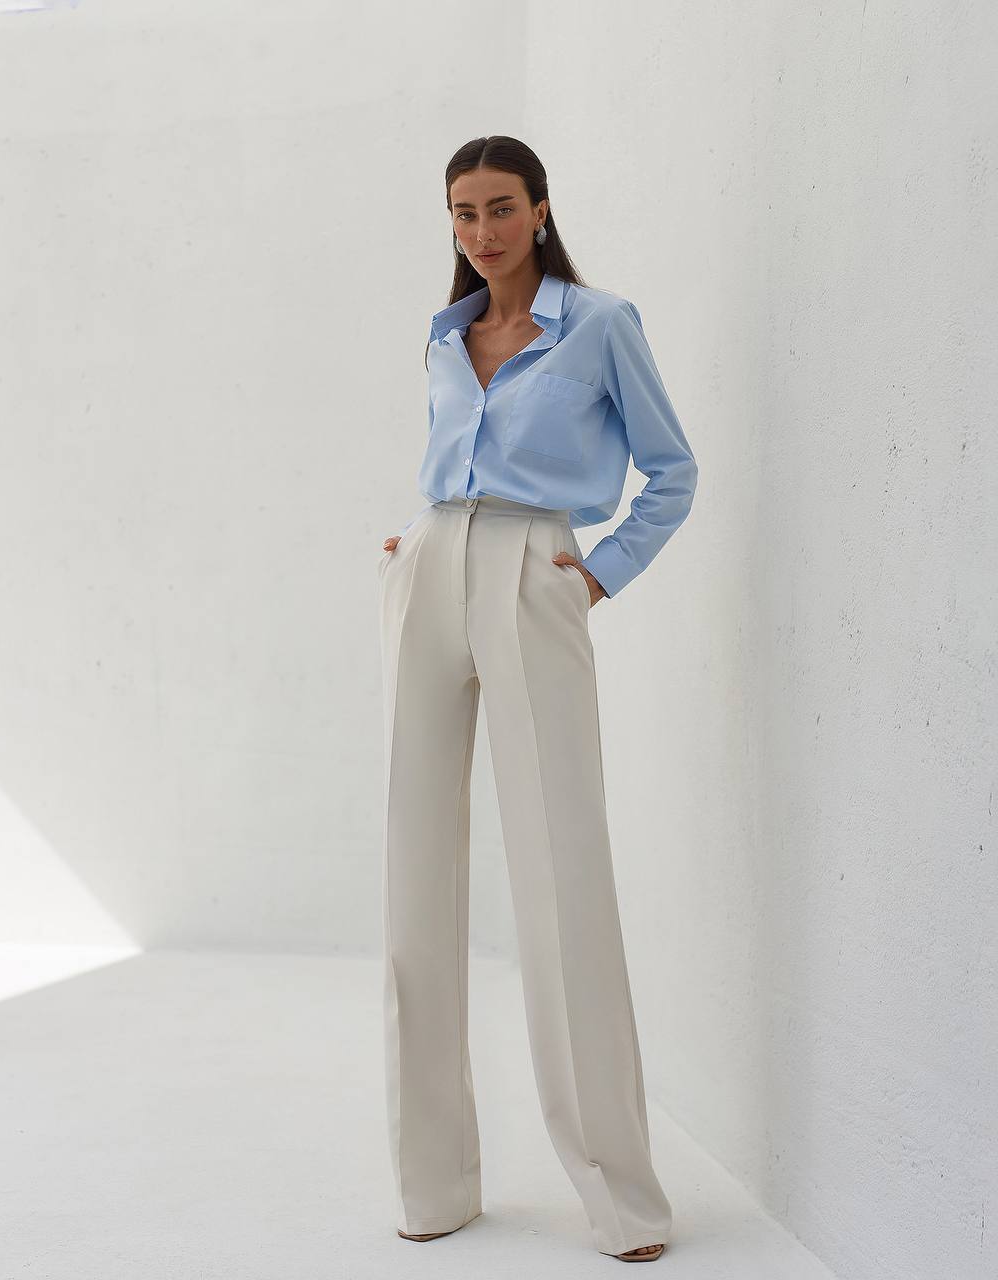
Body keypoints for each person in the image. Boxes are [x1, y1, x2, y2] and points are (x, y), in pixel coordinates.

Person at [377, 135, 698, 1263]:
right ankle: (433, 1182)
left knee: (561, 876)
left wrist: (602, 569)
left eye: (500, 208)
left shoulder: (600, 324)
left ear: (541, 209)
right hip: (429, 573)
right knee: (413, 881)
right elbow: (445, 456)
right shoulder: (441, 337)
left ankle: (620, 1197)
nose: (481, 232)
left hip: (536, 574)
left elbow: (673, 469)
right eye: (462, 213)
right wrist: (417, 540)